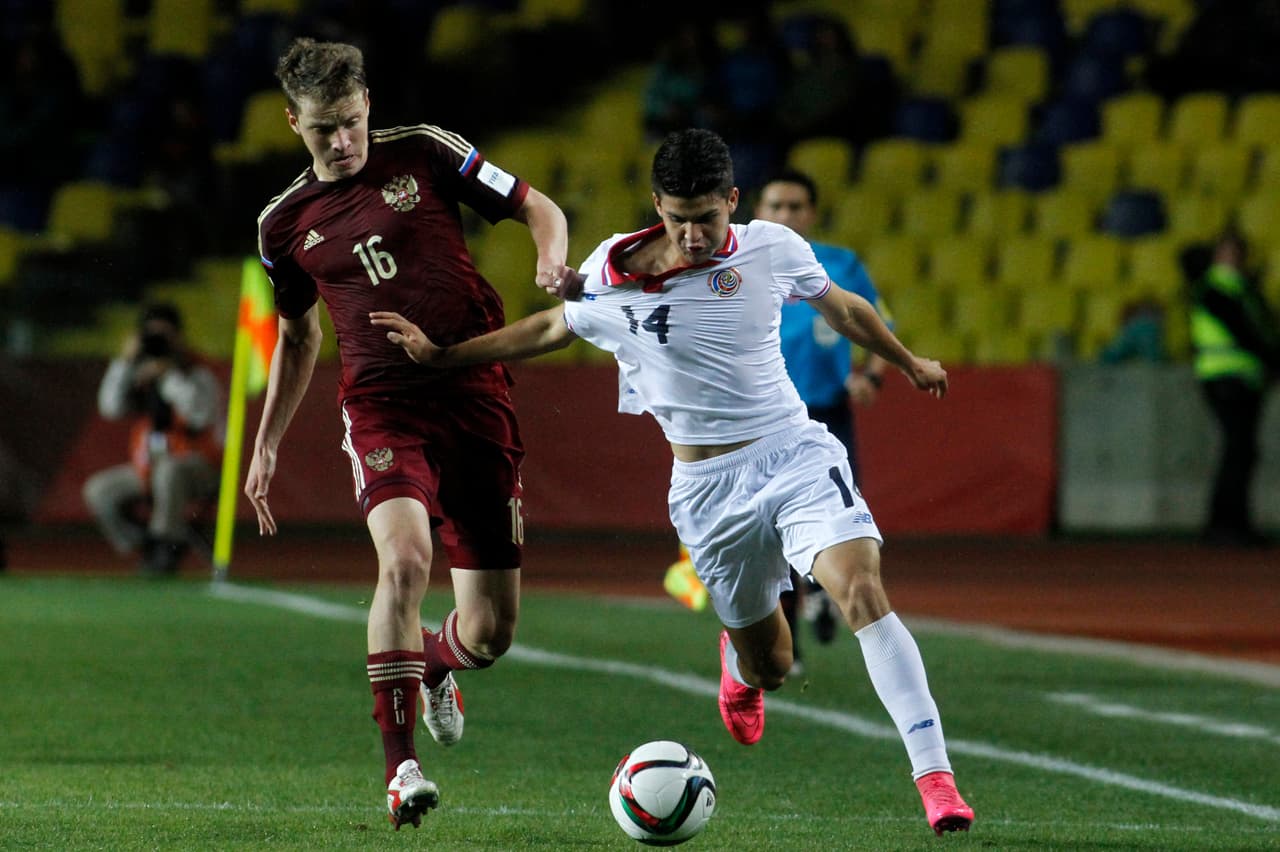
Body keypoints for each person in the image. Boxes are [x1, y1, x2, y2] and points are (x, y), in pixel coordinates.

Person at [372, 128, 975, 836]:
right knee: (774, 664)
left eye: (708, 218)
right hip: (706, 490)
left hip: (795, 453)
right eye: (678, 217)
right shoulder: (608, 271)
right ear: (657, 204)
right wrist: (445, 357)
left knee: (861, 590)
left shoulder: (771, 248)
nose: (693, 234)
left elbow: (841, 308)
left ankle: (936, 779)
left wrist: (905, 361)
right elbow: (546, 331)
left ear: (733, 202)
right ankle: (742, 668)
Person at [247, 38, 568, 830]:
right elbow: (297, 337)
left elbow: (537, 205)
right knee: (405, 560)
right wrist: (267, 441)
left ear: (368, 106)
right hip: (383, 408)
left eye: (351, 122)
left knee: (490, 633)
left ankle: (431, 660)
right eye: (323, 129)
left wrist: (551, 258)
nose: (342, 141)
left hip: (475, 393)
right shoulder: (283, 224)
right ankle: (401, 773)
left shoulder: (425, 151)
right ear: (295, 122)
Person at [756, 168, 894, 664]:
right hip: (764, 420)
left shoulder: (839, 265)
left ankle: (820, 595)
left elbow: (878, 324)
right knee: (770, 532)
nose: (786, 215)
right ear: (757, 212)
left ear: (811, 213)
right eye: (776, 206)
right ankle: (789, 641)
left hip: (827, 414)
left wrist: (872, 376)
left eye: (795, 206)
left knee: (834, 520)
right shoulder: (740, 267)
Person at [82, 302, 222, 576]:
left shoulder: (196, 371)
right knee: (99, 490)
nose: (158, 342)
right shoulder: (137, 371)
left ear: (179, 337)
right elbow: (110, 407)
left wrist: (168, 375)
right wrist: (125, 362)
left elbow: (200, 416)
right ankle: (142, 543)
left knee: (169, 471)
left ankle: (165, 545)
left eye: (165, 336)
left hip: (195, 465)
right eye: (151, 336)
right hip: (149, 465)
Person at [1189, 231, 1280, 547]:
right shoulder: (1215, 289)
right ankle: (1223, 524)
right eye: (1229, 252)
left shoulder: (1244, 289)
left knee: (1242, 451)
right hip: (1225, 378)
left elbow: (1263, 331)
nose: (1235, 258)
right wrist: (1272, 361)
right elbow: (1246, 333)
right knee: (1237, 450)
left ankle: (1233, 523)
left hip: (1245, 378)